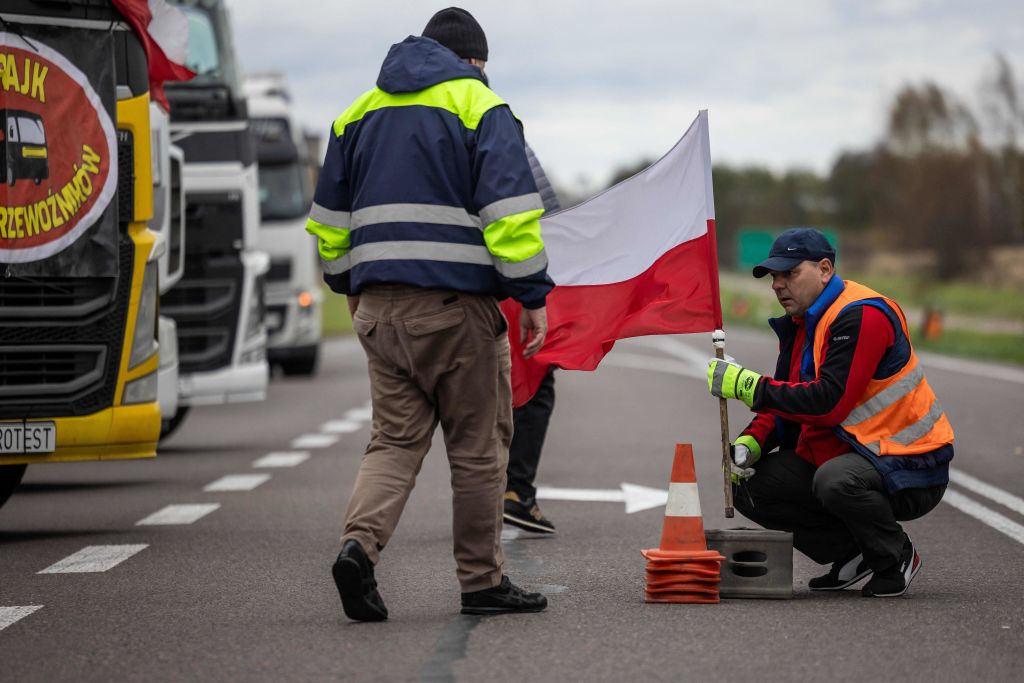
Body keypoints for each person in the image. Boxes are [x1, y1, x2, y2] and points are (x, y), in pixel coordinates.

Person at [306, 7, 553, 621]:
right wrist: (531, 295)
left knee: (392, 442)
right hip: (456, 313)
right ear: (473, 60)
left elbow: (330, 224)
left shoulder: (355, 113)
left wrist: (348, 285)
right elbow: (510, 218)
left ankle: (358, 548)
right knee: (478, 450)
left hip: (377, 310)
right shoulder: (480, 106)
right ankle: (482, 582)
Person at [707, 228, 954, 598]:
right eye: (774, 276)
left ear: (824, 269)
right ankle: (856, 554)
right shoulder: (806, 321)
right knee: (745, 487)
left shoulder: (860, 315)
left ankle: (894, 556)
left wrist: (750, 386)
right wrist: (752, 441)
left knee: (835, 481)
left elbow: (828, 403)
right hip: (859, 453)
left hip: (910, 463)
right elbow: (791, 396)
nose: (778, 285)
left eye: (790, 273)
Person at [503, 144, 560, 535]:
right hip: (505, 281)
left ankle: (478, 498)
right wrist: (534, 292)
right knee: (534, 379)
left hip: (434, 280)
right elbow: (545, 215)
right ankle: (516, 493)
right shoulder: (498, 127)